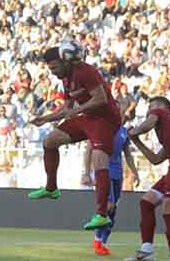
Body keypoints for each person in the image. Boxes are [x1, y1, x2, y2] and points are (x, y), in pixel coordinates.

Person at [29, 40, 122, 231]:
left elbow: (101, 99)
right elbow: (68, 108)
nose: (53, 72)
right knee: (50, 141)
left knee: (99, 161)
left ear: (65, 61)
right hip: (87, 117)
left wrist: (78, 110)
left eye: (54, 67)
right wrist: (46, 118)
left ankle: (102, 215)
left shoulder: (85, 71)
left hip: (105, 120)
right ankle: (51, 188)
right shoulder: (66, 78)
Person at [125, 96, 170, 261]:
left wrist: (131, 131)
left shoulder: (160, 112)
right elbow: (156, 159)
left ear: (161, 107)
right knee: (147, 202)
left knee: (168, 209)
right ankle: (147, 252)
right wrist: (135, 140)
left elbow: (145, 126)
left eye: (151, 108)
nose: (148, 112)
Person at [82, 125, 139, 256]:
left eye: (124, 105)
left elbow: (128, 154)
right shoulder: (98, 126)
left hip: (118, 174)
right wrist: (86, 173)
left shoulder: (124, 131)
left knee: (113, 210)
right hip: (102, 171)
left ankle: (103, 242)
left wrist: (134, 172)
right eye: (118, 104)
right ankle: (97, 239)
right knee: (109, 206)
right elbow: (89, 150)